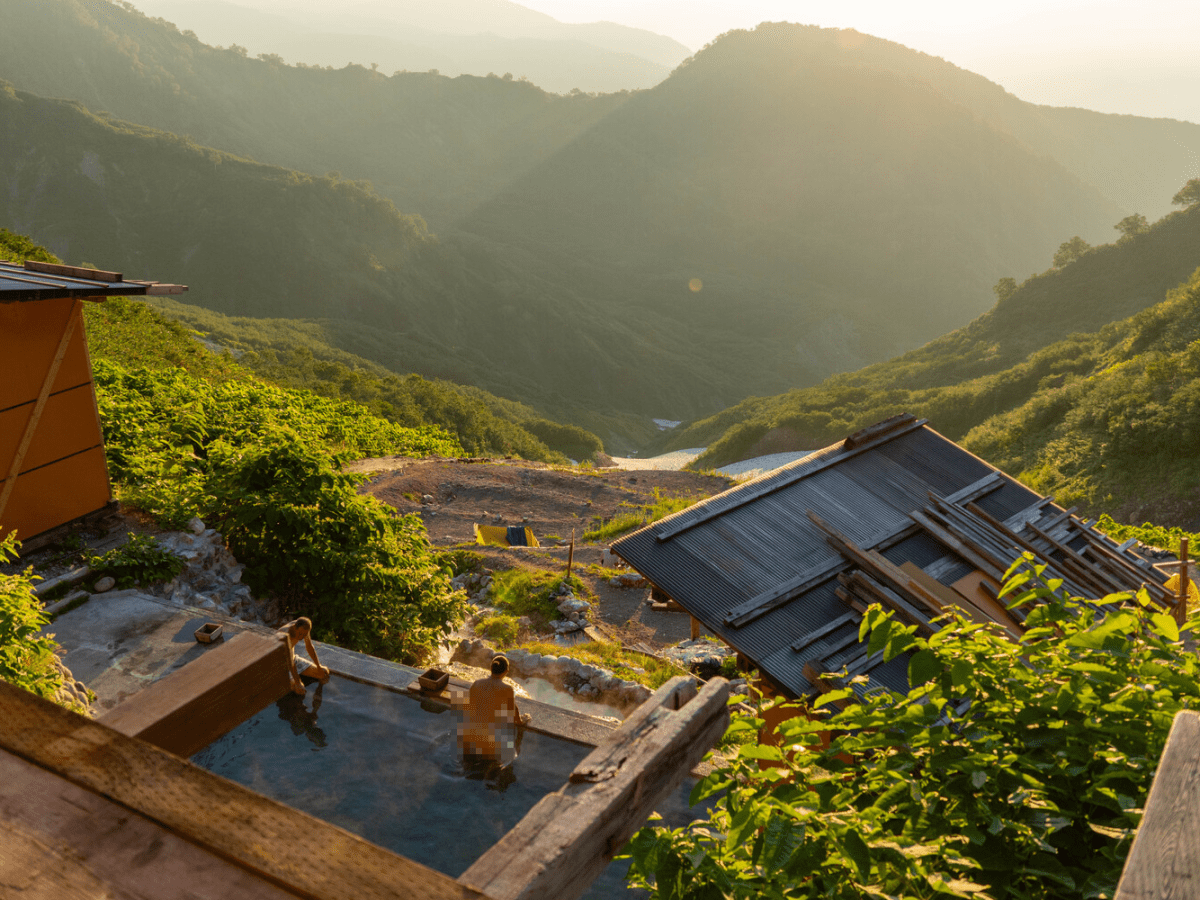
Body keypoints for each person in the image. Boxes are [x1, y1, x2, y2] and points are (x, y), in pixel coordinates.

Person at [461, 655, 531, 762]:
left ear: (491, 668)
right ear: (507, 670)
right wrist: (522, 721)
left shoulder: (477, 683)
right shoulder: (507, 689)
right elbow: (514, 711)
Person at [278, 617, 330, 695]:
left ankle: (335, 696)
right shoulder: (284, 635)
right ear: (295, 627)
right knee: (298, 688)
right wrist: (298, 682)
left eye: (304, 634)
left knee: (323, 672)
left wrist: (319, 667)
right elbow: (290, 662)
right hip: (281, 666)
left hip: (293, 659)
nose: (302, 637)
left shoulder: (304, 627)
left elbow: (309, 647)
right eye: (300, 634)